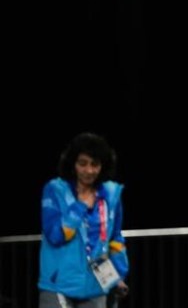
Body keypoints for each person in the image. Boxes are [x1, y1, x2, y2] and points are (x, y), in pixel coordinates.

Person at [38, 132, 129, 308]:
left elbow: (115, 239)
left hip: (96, 286)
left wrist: (118, 275)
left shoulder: (111, 194)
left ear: (103, 165)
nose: (89, 170)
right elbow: (55, 235)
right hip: (59, 285)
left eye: (95, 164)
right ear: (73, 164)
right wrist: (79, 207)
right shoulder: (55, 190)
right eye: (83, 164)